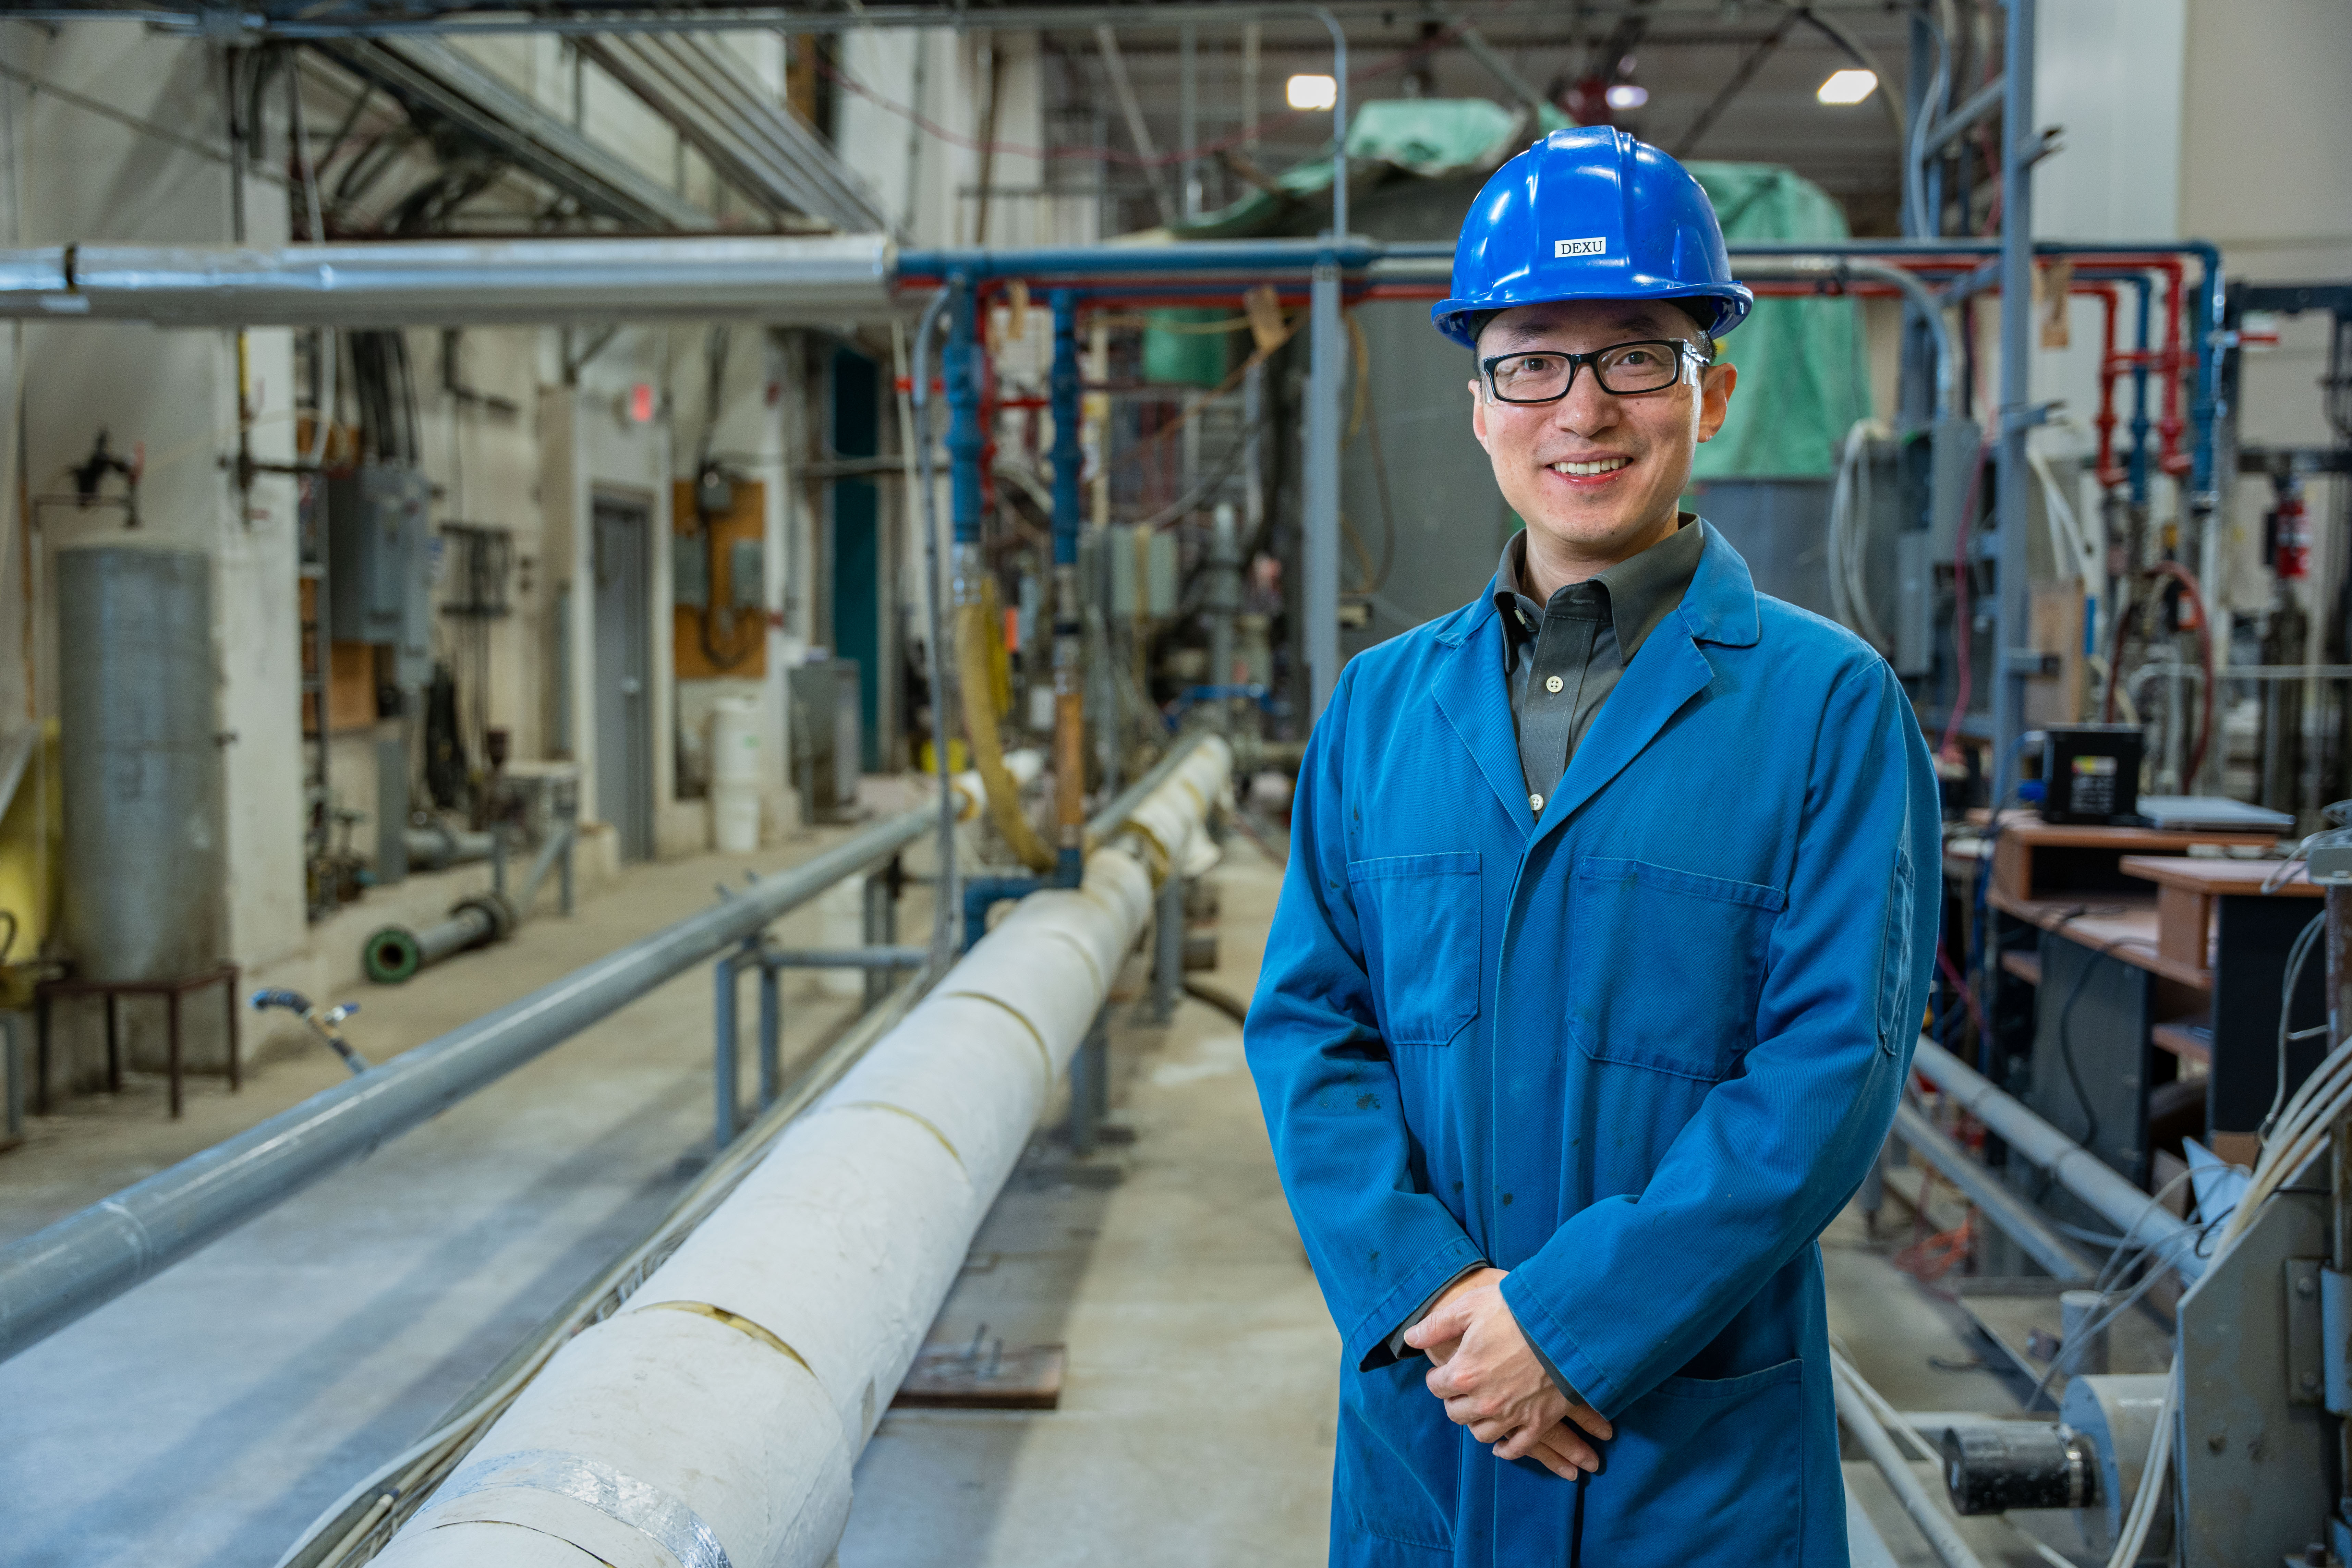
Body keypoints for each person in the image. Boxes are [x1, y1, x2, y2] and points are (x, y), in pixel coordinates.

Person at [1243, 126, 1940, 1567]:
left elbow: (1829, 1076)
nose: (1584, 409)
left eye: (1637, 355)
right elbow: (1312, 1031)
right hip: (1433, 1419)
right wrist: (1438, 1301)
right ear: (1481, 404)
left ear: (1715, 394)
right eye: (1534, 360)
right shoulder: (1380, 711)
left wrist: (1568, 1328)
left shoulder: (1829, 708)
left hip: (1686, 1454)